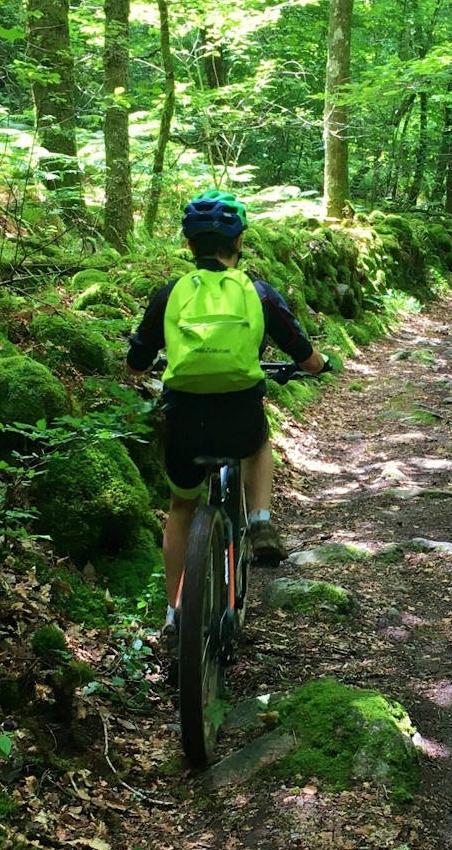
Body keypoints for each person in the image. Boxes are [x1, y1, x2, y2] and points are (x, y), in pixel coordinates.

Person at [125, 189, 329, 632]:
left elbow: (135, 359)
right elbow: (303, 353)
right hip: (239, 412)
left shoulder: (170, 294)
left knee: (181, 506)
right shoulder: (258, 293)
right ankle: (259, 521)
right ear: (238, 242)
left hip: (183, 415)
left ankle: (176, 611)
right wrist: (319, 366)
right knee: (258, 445)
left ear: (188, 244)